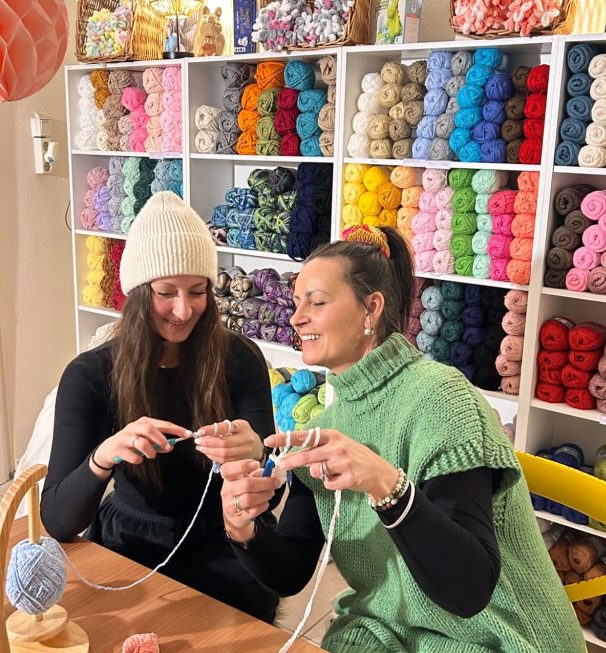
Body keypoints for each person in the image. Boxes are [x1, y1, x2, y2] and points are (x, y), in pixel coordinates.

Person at [220, 224, 586, 652]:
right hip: (393, 633)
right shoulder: (328, 425)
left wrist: (386, 485)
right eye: (298, 303)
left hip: (501, 639)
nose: (297, 318)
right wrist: (242, 527)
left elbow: (469, 592)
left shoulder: (441, 400)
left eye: (316, 302)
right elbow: (292, 570)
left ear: (370, 309)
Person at [41, 191, 280, 623]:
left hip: (225, 538)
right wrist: (103, 456)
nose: (184, 310)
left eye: (198, 291)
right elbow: (57, 520)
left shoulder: (240, 360)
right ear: (136, 293)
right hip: (130, 543)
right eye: (165, 292)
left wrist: (259, 457)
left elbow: (273, 489)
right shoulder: (90, 376)